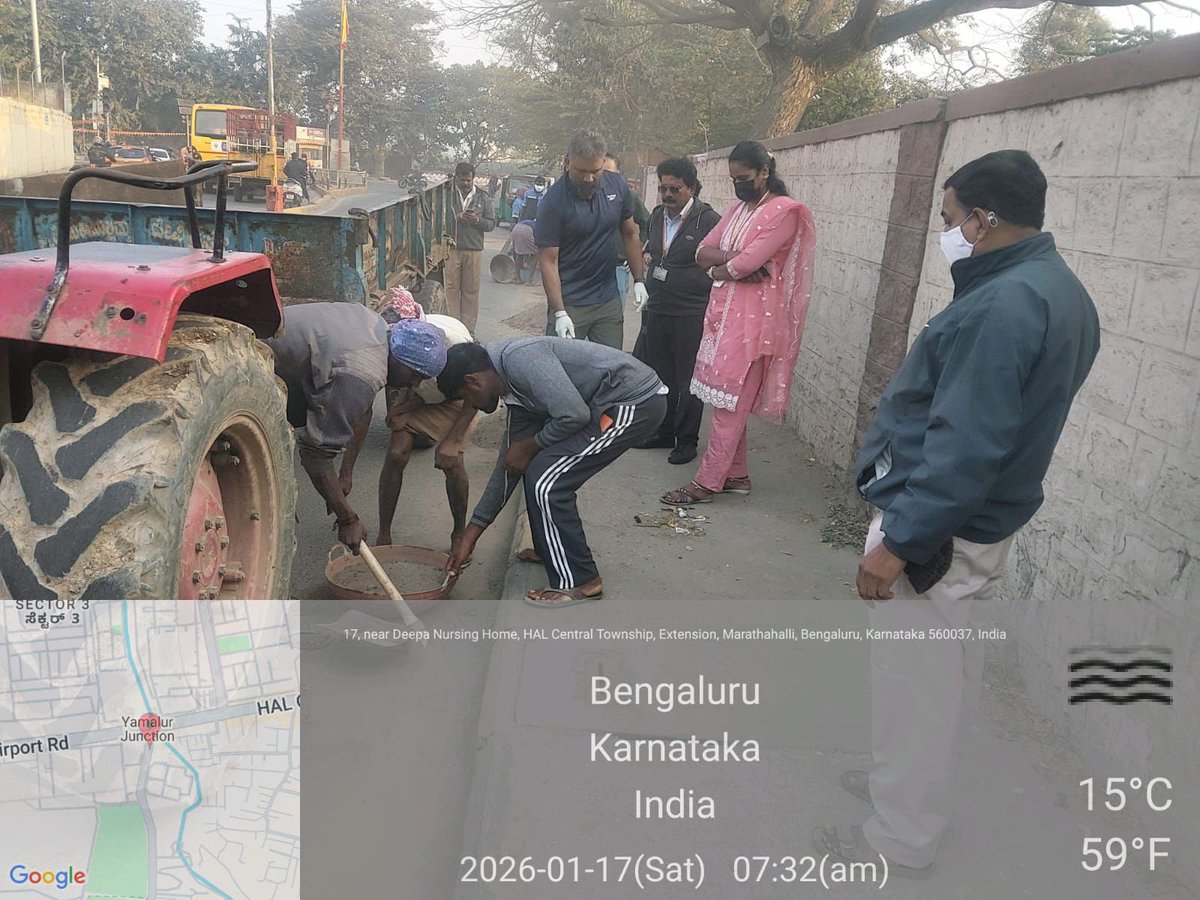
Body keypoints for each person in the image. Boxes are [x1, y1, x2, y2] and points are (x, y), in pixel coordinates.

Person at [813, 150, 1101, 877]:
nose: (947, 233)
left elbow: (966, 443)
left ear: (983, 219)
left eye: (949, 220)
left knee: (917, 689)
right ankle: (907, 792)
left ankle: (900, 835)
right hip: (979, 523)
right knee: (942, 675)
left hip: (939, 527)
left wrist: (899, 541)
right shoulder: (1055, 290)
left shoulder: (1003, 305)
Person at [442, 339, 667, 606]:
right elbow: (509, 466)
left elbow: (573, 415)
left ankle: (581, 580)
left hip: (632, 403)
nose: (474, 407)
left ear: (473, 381)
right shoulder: (512, 390)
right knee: (533, 468)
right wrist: (471, 535)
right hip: (603, 406)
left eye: (468, 399)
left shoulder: (519, 360)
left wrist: (532, 444)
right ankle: (549, 549)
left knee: (548, 482)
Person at [661, 140, 816, 505]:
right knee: (729, 402)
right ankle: (737, 475)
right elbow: (703, 250)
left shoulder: (786, 212)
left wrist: (722, 267)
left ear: (765, 172)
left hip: (754, 326)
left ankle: (707, 482)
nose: (738, 186)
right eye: (733, 180)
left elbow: (748, 264)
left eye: (744, 178)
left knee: (730, 406)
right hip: (722, 317)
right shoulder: (737, 208)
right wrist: (726, 264)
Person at [268, 303, 448, 552]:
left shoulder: (377, 327)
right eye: (415, 374)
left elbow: (363, 413)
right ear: (401, 359)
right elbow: (315, 456)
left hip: (273, 343)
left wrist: (345, 474)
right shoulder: (361, 373)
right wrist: (348, 519)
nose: (413, 384)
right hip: (255, 361)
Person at [635, 158, 721, 466]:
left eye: (675, 189)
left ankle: (686, 441)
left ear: (692, 188)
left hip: (691, 312)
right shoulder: (657, 216)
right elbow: (653, 252)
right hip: (658, 308)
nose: (668, 194)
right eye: (663, 188)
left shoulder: (709, 221)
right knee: (661, 375)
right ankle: (664, 431)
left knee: (689, 380)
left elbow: (720, 263)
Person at [374, 313, 478, 549]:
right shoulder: (404, 343)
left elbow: (475, 398)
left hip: (458, 397)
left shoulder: (458, 349)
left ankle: (459, 533)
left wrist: (453, 440)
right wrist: (408, 401)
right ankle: (384, 535)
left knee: (452, 460)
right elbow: (416, 388)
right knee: (396, 453)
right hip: (422, 395)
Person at [535, 131, 647, 348]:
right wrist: (559, 312)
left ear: (604, 162)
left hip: (607, 300)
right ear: (568, 162)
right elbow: (548, 261)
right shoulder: (553, 203)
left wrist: (639, 279)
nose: (588, 178)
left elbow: (630, 233)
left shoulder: (617, 186)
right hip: (570, 303)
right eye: (581, 171)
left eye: (595, 171)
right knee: (563, 368)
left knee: (610, 368)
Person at [447, 161, 497, 333]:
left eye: (469, 180)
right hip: (451, 249)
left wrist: (476, 220)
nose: (466, 184)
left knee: (471, 291)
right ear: (456, 178)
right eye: (462, 180)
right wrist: (457, 217)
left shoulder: (482, 197)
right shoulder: (448, 195)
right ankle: (454, 330)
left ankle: (468, 331)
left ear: (473, 179)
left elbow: (491, 224)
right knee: (451, 290)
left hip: (474, 250)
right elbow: (437, 219)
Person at [603, 154, 651, 304]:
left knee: (613, 318)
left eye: (610, 173)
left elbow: (647, 223)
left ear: (618, 174)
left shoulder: (627, 195)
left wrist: (635, 249)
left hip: (618, 268)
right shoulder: (587, 195)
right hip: (589, 268)